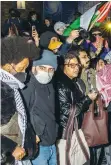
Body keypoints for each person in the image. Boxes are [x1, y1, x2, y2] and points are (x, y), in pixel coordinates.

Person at [1, 36, 40, 165]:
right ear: (7, 67)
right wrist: (10, 146)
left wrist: (29, 137)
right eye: (22, 68)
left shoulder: (10, 85)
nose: (25, 73)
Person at [20, 50, 58, 165]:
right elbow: (22, 114)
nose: (47, 72)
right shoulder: (27, 86)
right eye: (42, 68)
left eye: (50, 69)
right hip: (38, 145)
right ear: (33, 68)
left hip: (51, 141)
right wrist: (31, 135)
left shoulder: (50, 85)